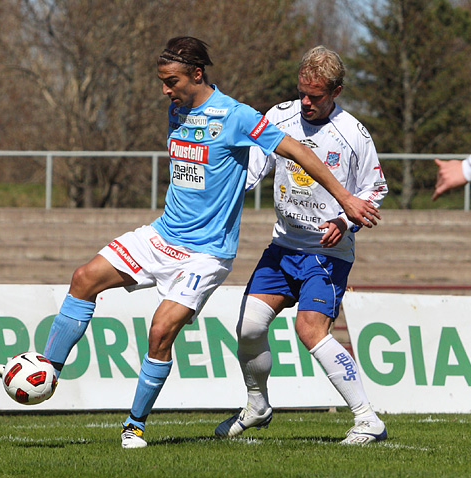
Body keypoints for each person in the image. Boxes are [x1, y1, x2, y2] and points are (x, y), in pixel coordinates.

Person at [40, 37, 379, 449]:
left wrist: (345, 204)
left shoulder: (238, 116)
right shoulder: (179, 108)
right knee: (83, 278)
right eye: (164, 81)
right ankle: (46, 371)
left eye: (171, 80)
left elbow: (297, 154)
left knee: (163, 328)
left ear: (197, 74)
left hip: (212, 253)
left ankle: (134, 426)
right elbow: (229, 168)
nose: (165, 90)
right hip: (167, 235)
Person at [215, 46, 388, 445]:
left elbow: (374, 189)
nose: (306, 102)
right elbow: (256, 164)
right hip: (283, 246)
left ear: (337, 91)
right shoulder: (279, 117)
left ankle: (367, 419)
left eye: (316, 96)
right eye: (302, 93)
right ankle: (257, 405)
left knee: (309, 329)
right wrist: (226, 192)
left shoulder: (354, 135)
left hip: (327, 252)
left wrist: (345, 221)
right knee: (249, 326)